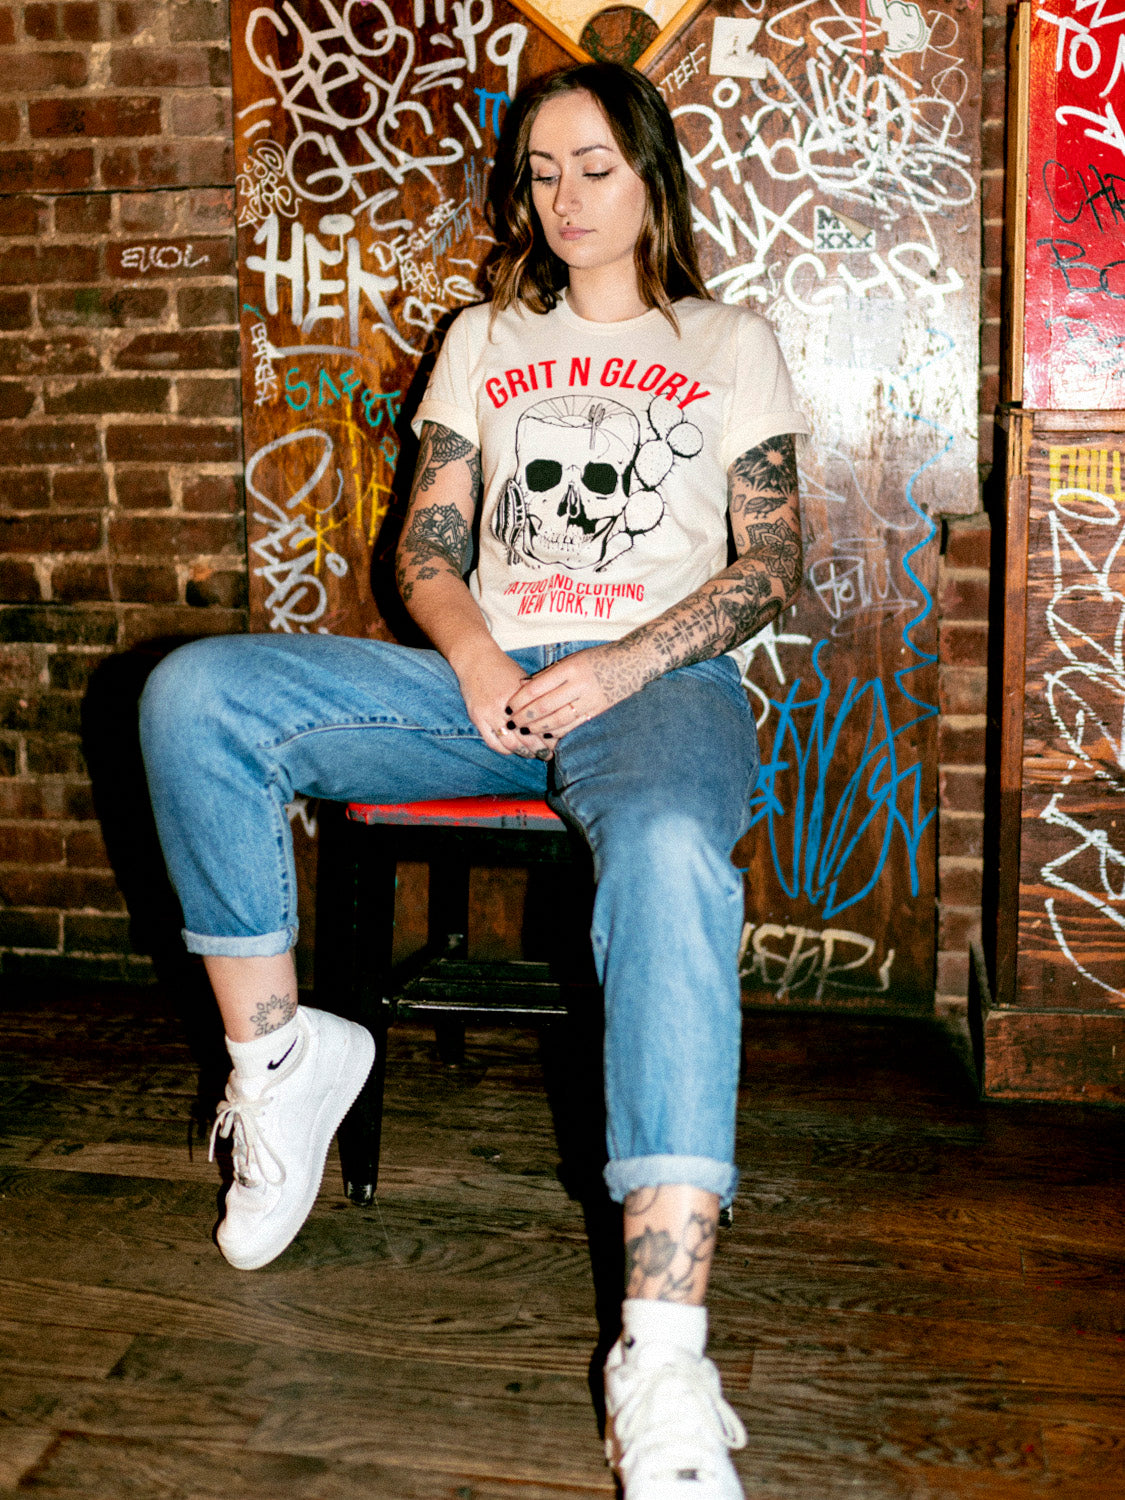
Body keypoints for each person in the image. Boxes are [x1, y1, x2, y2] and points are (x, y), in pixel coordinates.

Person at [140, 61, 808, 1500]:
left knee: (680, 848)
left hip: (656, 687)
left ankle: (662, 1350)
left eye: (596, 167)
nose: (566, 197)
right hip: (482, 683)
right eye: (542, 171)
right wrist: (475, 657)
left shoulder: (727, 336)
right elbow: (426, 551)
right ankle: (281, 1062)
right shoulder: (486, 335)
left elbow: (771, 566)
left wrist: (620, 663)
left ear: (649, 179)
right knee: (196, 696)